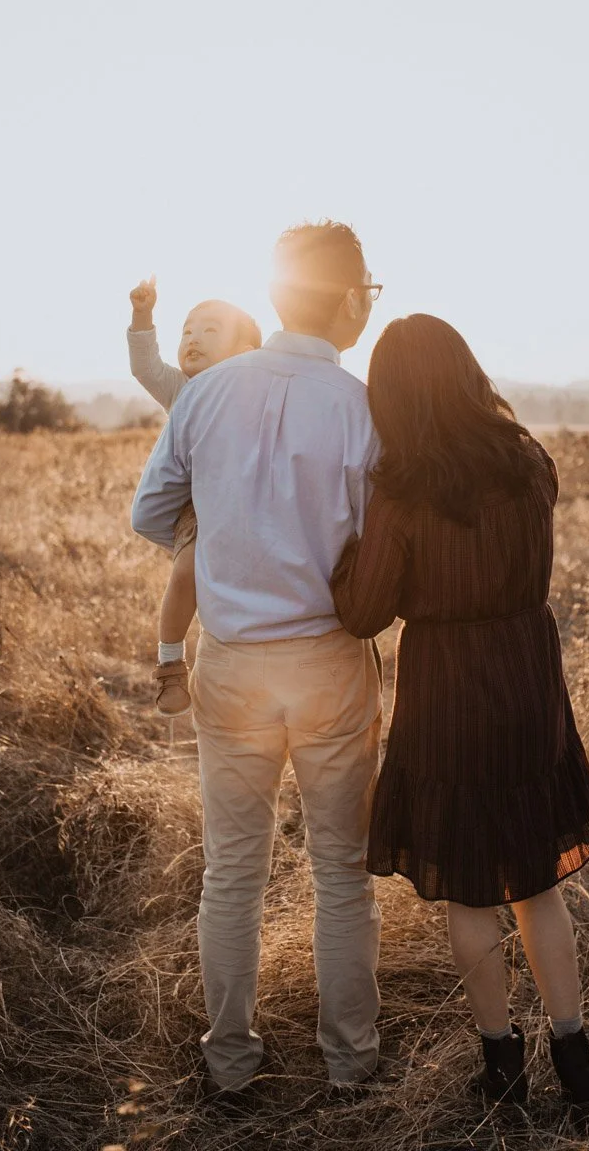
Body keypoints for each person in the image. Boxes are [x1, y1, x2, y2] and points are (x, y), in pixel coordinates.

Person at [330, 314, 589, 1138]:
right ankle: (576, 1057)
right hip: (528, 677)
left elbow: (361, 613)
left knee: (470, 888)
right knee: (535, 880)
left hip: (450, 689)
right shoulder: (529, 462)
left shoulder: (404, 486)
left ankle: (501, 1061)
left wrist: (346, 555)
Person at [131, 222, 385, 1093]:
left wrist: (227, 543)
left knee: (232, 876)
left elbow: (150, 515)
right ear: (350, 301)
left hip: (232, 661)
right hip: (327, 660)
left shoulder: (205, 395)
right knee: (341, 876)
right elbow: (383, 545)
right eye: (370, 293)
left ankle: (231, 1065)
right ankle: (351, 1064)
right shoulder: (361, 408)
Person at [127, 276, 261, 716]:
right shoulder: (182, 390)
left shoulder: (257, 395)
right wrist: (144, 315)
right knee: (186, 572)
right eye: (187, 330)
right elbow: (146, 367)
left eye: (210, 330)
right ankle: (170, 666)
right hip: (199, 509)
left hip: (250, 509)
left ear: (246, 354)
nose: (193, 339)